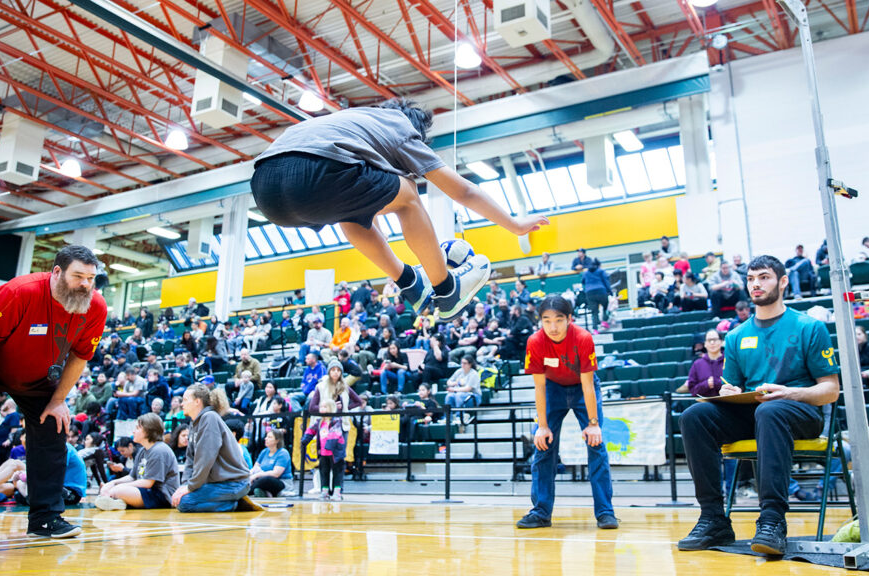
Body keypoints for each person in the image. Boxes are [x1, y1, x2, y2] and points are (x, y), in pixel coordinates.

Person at [250, 98, 547, 320]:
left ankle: (409, 281)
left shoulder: (352, 121)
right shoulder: (398, 125)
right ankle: (445, 288)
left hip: (265, 191)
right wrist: (515, 225)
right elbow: (463, 190)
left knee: (353, 208)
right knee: (407, 193)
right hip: (318, 172)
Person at [0, 245, 105, 547]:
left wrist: (58, 401)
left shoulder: (95, 307)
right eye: (78, 276)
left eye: (91, 278)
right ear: (56, 273)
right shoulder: (17, 293)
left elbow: (80, 356)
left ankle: (45, 519)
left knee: (53, 427)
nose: (86, 285)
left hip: (38, 377)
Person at [676, 255, 840, 556]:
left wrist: (790, 393)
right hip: (756, 412)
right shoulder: (737, 335)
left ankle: (772, 520)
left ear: (783, 281)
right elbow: (733, 386)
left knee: (770, 410)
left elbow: (831, 390)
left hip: (800, 410)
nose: (755, 284)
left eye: (764, 277)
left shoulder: (810, 327)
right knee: (694, 416)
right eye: (751, 279)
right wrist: (729, 390)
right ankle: (714, 519)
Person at [516, 296, 617, 530]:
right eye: (547, 320)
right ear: (540, 321)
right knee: (543, 447)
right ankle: (541, 512)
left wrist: (593, 424)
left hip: (583, 389)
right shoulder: (535, 341)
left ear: (569, 319)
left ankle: (605, 512)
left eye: (559, 320)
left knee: (596, 445)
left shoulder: (583, 338)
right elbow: (539, 387)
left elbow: (588, 385)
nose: (553, 327)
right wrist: (542, 426)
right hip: (552, 390)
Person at [171, 385, 251, 513]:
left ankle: (233, 504)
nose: (182, 404)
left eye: (185, 400)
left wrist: (190, 487)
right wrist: (184, 486)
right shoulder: (194, 424)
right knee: (179, 499)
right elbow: (190, 460)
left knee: (184, 503)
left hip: (234, 483)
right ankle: (228, 501)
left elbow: (205, 459)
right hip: (217, 484)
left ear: (197, 401)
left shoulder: (210, 418)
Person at [94, 413, 180, 510]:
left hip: (162, 496)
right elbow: (132, 476)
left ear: (148, 431)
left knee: (119, 491)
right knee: (112, 488)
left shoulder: (159, 450)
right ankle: (119, 503)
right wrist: (112, 483)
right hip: (147, 491)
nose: (133, 431)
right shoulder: (143, 450)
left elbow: (148, 483)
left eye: (137, 428)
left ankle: (118, 501)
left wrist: (117, 488)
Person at [300, 399, 347, 501]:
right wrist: (305, 440)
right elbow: (311, 430)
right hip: (323, 452)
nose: (322, 409)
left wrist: (329, 445)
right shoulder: (319, 421)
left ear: (331, 408)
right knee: (324, 472)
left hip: (335, 452)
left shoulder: (336, 420)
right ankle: (324, 491)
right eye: (321, 407)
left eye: (324, 407)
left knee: (337, 472)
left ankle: (336, 492)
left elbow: (336, 433)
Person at [249, 429, 292, 497]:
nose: (266, 439)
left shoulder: (283, 453)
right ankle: (263, 492)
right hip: (262, 480)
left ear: (277, 440)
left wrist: (257, 475)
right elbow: (255, 468)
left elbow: (276, 474)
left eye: (269, 437)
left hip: (281, 482)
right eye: (266, 437)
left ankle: (246, 493)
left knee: (266, 479)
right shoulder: (264, 452)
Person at [686, 330, 724, 398]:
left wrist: (716, 382)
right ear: (705, 344)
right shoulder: (697, 364)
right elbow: (692, 390)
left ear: (721, 342)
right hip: (705, 405)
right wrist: (706, 384)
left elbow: (737, 385)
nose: (712, 343)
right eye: (709, 340)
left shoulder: (729, 361)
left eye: (715, 339)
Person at [445, 355, 482, 422]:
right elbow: (449, 382)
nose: (462, 365)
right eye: (461, 363)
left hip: (474, 397)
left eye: (465, 363)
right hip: (458, 394)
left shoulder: (474, 374)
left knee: (459, 395)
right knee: (449, 396)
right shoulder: (459, 371)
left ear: (470, 364)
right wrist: (455, 383)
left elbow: (468, 389)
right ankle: (448, 418)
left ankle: (459, 417)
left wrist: (454, 389)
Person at [582, 259, 611, 331]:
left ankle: (595, 329)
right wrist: (609, 291)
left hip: (589, 292)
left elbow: (583, 282)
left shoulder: (585, 273)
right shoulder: (600, 271)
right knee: (606, 306)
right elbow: (606, 281)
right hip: (601, 291)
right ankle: (604, 321)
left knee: (594, 311)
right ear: (598, 265)